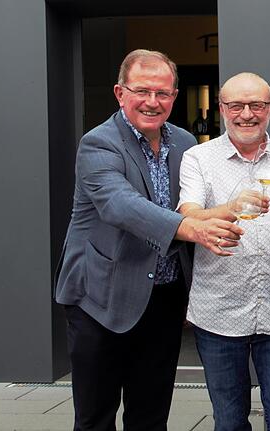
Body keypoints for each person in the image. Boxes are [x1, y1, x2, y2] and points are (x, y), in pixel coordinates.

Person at [54, 49, 243, 430]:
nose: (153, 102)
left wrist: (234, 207)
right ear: (120, 93)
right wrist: (193, 230)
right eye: (142, 91)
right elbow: (120, 205)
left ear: (175, 96)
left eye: (163, 93)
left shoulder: (187, 143)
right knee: (95, 418)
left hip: (164, 300)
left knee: (151, 415)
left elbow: (195, 202)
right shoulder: (99, 143)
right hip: (100, 299)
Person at [178, 72, 270, 431]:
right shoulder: (198, 158)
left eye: (256, 105)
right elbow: (187, 215)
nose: (246, 114)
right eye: (236, 105)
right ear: (222, 109)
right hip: (218, 311)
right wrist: (230, 207)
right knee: (229, 420)